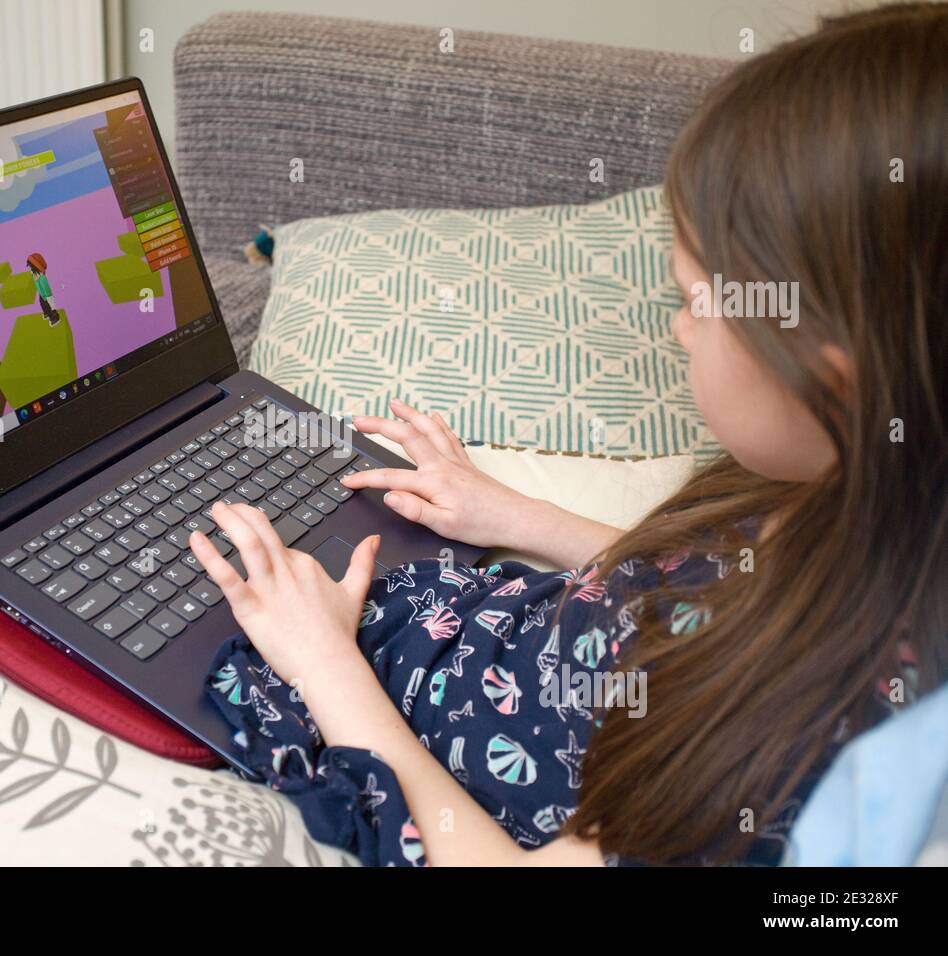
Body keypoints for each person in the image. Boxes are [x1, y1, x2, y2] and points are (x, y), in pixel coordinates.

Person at [185, 3, 947, 866]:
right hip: (436, 622)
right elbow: (708, 607)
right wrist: (518, 517)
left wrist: (320, 664)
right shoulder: (862, 512)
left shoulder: (808, 742)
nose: (678, 331)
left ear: (830, 376)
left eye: (696, 303)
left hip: (344, 714)